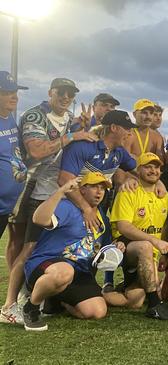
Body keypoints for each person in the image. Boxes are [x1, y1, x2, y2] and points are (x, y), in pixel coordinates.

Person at [2, 78, 97, 324]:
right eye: (61, 93)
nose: (66, 98)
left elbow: (64, 137)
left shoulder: (66, 118)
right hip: (29, 187)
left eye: (71, 94)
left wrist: (76, 126)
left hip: (51, 191)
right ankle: (10, 303)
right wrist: (74, 135)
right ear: (50, 93)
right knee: (23, 244)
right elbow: (37, 151)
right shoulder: (35, 116)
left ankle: (27, 295)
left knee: (36, 246)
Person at [22, 172, 113, 331]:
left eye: (102, 188)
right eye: (93, 187)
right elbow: (39, 219)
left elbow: (103, 249)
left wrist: (117, 248)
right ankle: (31, 307)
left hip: (79, 272)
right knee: (64, 271)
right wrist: (60, 191)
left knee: (97, 311)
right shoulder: (67, 207)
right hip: (48, 264)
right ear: (82, 190)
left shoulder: (102, 218)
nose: (99, 192)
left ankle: (57, 299)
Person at [110, 152, 168, 319]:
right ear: (138, 170)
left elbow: (165, 225)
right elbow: (123, 227)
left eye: (156, 167)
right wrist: (154, 241)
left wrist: (163, 253)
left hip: (151, 253)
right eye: (148, 167)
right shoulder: (128, 192)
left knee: (135, 301)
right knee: (145, 246)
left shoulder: (163, 195)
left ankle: (104, 293)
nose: (153, 170)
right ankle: (155, 305)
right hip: (127, 247)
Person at [57, 110, 137, 230]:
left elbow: (140, 172)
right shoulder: (82, 146)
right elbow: (64, 180)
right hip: (66, 207)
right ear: (114, 128)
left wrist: (157, 183)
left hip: (95, 208)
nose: (130, 134)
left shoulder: (120, 152)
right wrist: (86, 209)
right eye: (127, 128)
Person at [0, 71, 28, 269]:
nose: (14, 96)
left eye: (15, 91)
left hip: (8, 205)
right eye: (7, 92)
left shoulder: (9, 118)